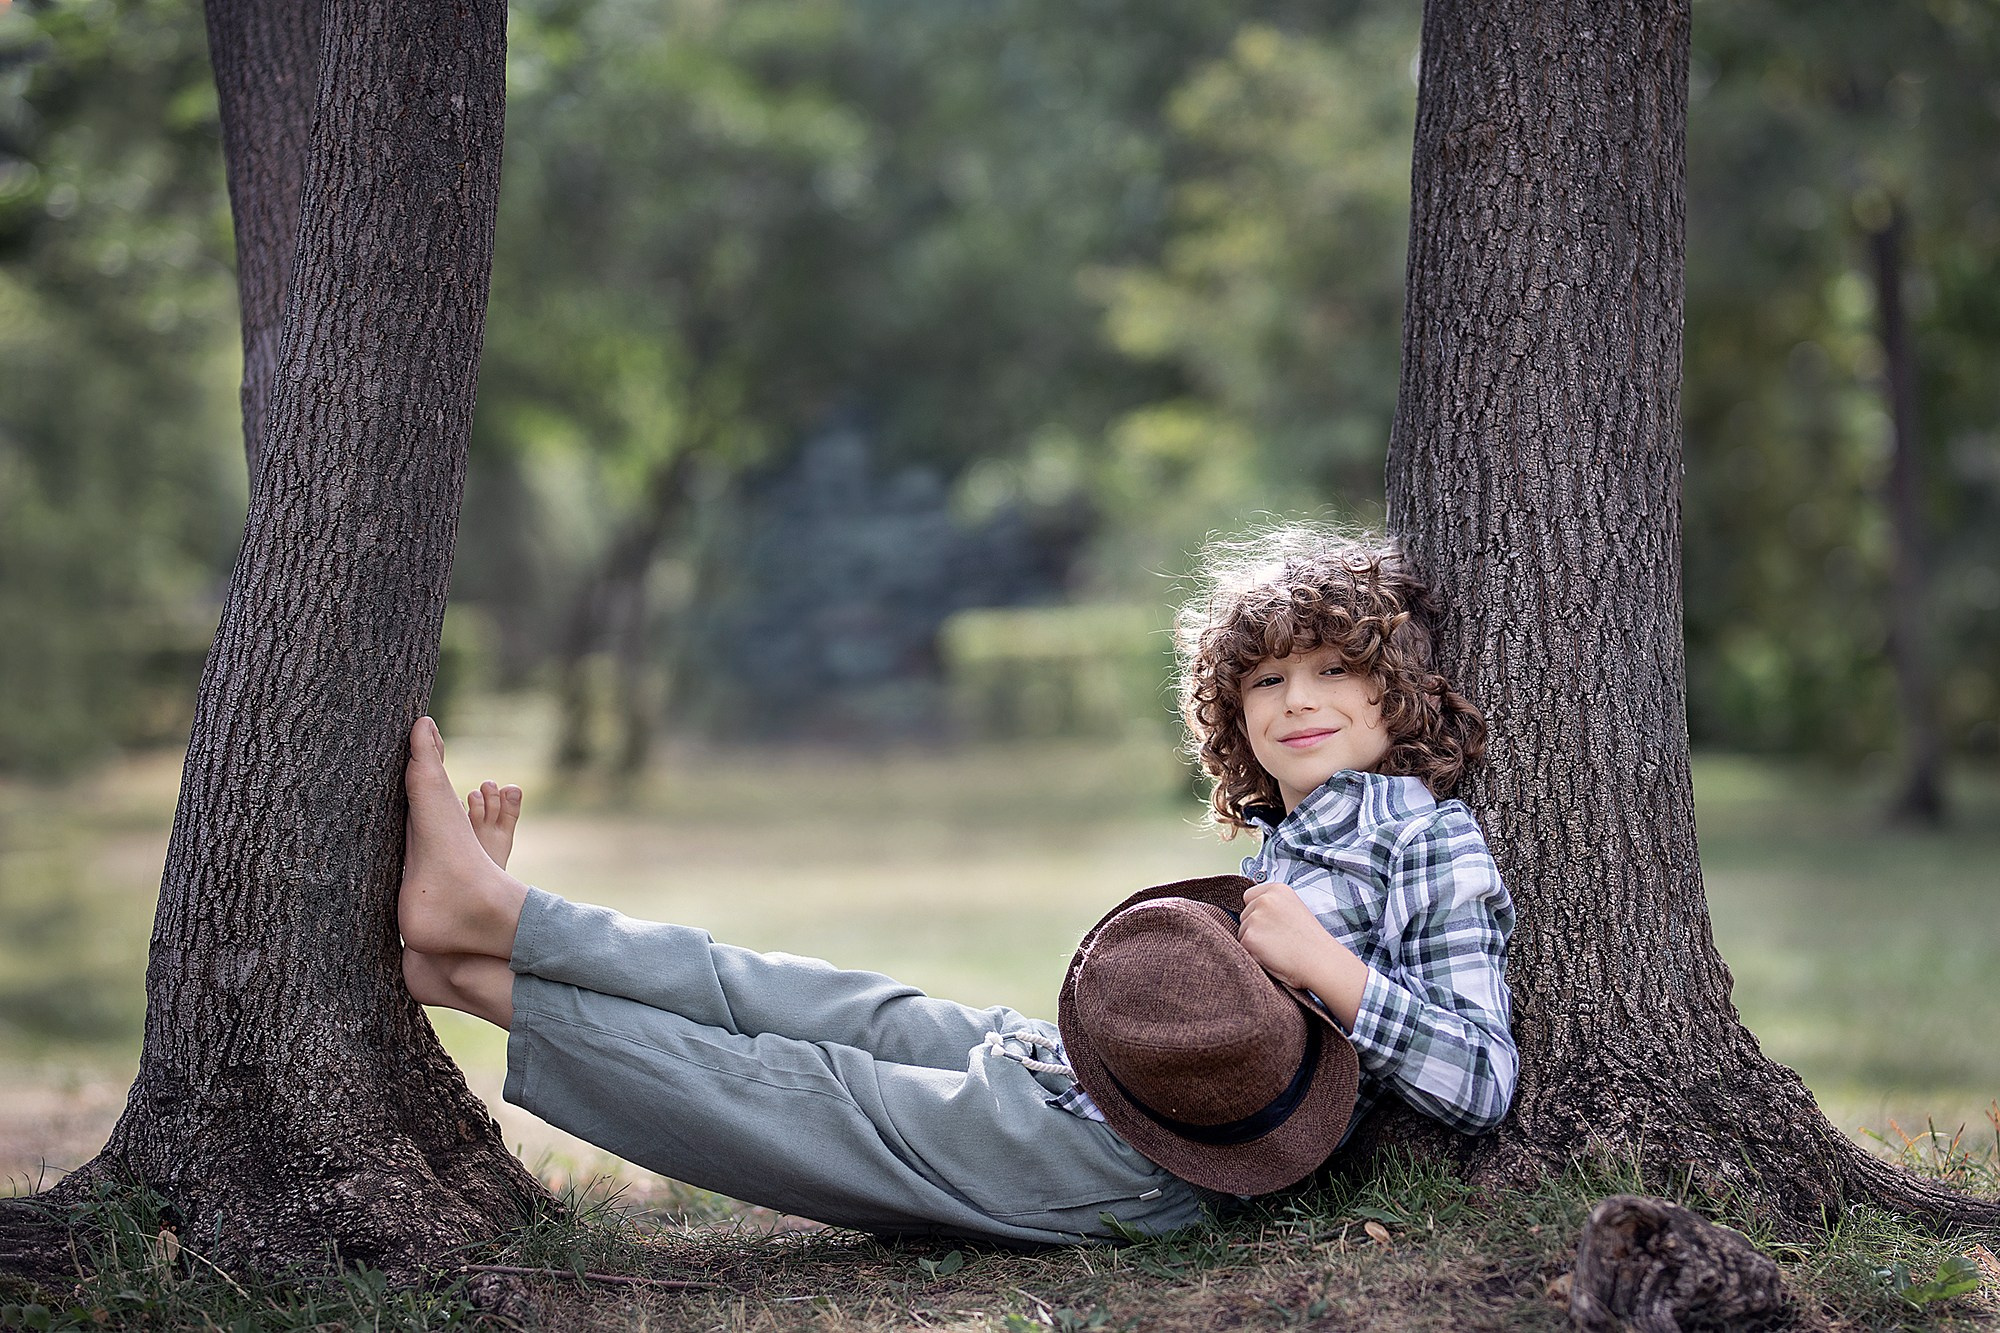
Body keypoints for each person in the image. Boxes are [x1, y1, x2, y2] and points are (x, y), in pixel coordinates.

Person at [398, 526, 1515, 1244]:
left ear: (1395, 695)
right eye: (1265, 679)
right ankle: (500, 924)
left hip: (1126, 1167)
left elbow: (1481, 1079)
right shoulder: (1294, 833)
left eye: (1333, 669)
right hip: (1073, 1071)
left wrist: (1326, 969)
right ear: (1231, 717)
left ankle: (477, 977)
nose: (1294, 699)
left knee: (803, 1093)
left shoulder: (1426, 841)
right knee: (813, 999)